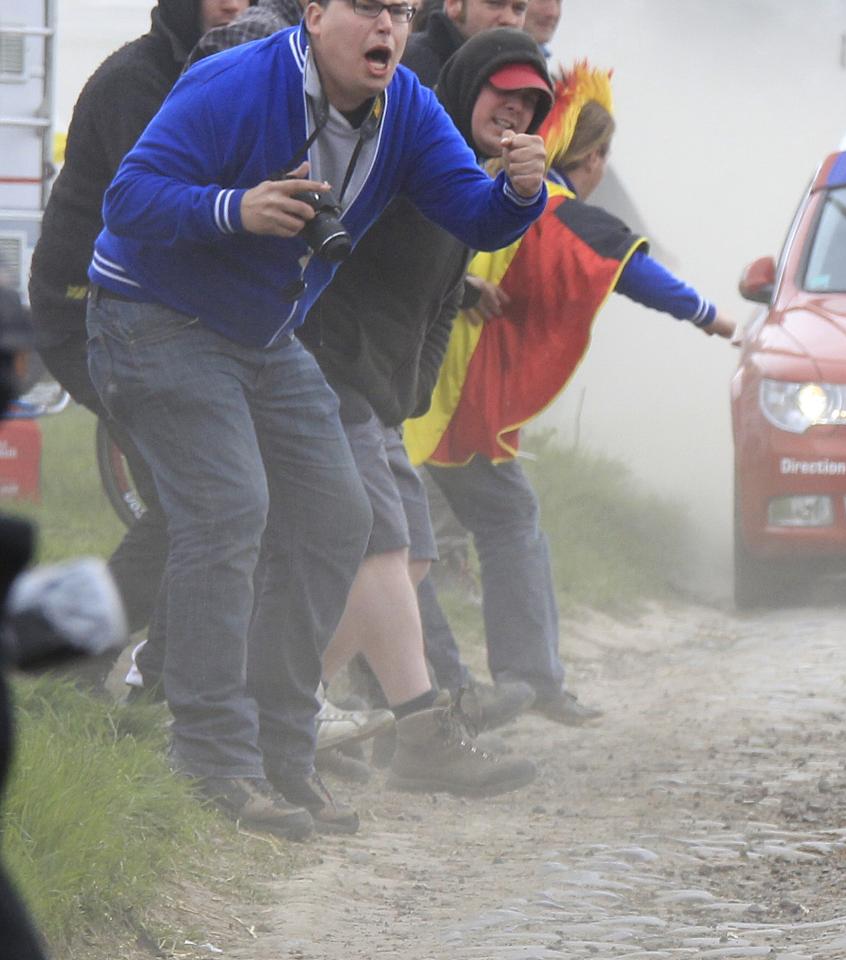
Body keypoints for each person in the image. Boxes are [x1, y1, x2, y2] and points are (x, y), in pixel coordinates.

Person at [85, 0, 547, 838]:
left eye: (403, 12)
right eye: (369, 7)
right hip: (150, 316)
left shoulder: (406, 105)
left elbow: (474, 216)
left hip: (262, 335)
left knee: (343, 516)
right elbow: (128, 199)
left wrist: (519, 189)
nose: (390, 28)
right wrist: (236, 208)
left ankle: (281, 755)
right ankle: (211, 763)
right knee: (230, 511)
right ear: (315, 12)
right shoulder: (235, 80)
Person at [403, 62, 734, 722]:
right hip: (445, 403)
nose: (601, 171)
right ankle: (469, 688)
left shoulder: (487, 182)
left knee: (424, 539)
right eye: (600, 156)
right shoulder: (550, 206)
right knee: (416, 543)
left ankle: (483, 685)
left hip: (430, 393)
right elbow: (633, 270)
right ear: (587, 155)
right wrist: (711, 317)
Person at [299, 27, 549, 797]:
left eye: (529, 104)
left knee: (411, 556)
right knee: (382, 545)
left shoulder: (467, 184)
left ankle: (288, 705)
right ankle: (420, 731)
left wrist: (408, 394)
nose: (511, 111)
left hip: (376, 390)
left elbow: (441, 300)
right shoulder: (409, 148)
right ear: (466, 89)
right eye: (499, 94)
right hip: (326, 364)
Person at [29, 0, 249, 691]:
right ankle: (95, 663)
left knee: (194, 501)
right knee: (198, 499)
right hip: (82, 310)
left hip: (158, 310)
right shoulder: (136, 81)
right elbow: (158, 212)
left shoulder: (227, 74)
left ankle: (133, 671)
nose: (235, 4)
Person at [400, 0, 526, 86]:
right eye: (495, 3)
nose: (510, 20)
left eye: (519, 9)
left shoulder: (523, 77)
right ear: (453, 3)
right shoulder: (411, 66)